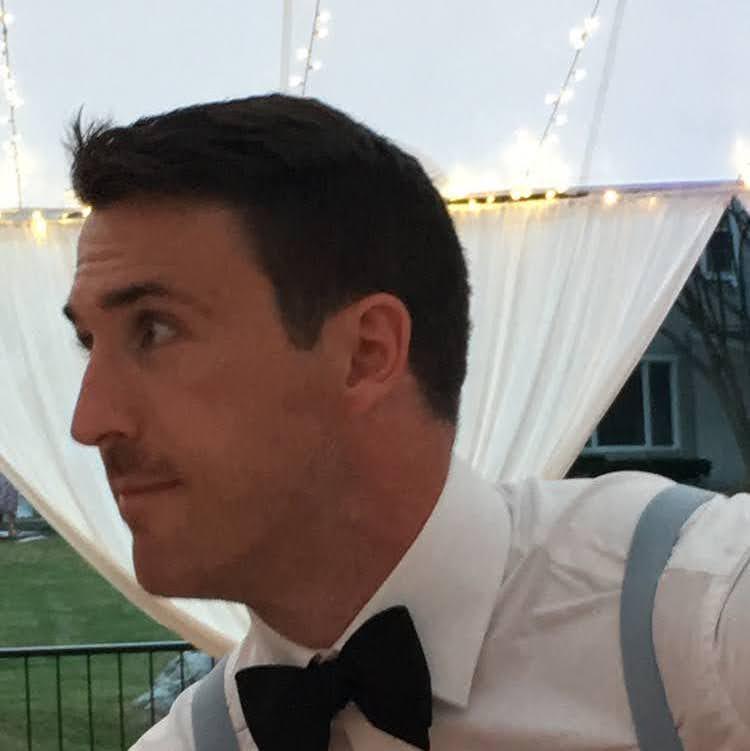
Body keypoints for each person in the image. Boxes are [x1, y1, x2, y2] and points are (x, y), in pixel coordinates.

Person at [62, 94, 750, 751]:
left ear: (366, 354)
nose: (89, 421)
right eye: (90, 344)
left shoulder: (702, 617)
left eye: (155, 330)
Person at [0, 473, 19, 540]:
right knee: (1, 505)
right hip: (2, 476)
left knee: (12, 506)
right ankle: (11, 529)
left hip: (12, 477)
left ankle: (11, 529)